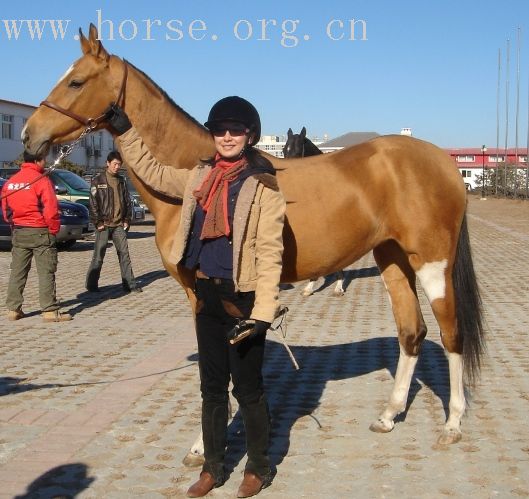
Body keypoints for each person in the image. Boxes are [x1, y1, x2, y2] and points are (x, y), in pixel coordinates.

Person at [104, 96, 285, 498]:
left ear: (249, 135)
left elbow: (271, 253)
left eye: (235, 130)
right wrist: (124, 131)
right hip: (205, 294)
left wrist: (263, 313)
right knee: (212, 388)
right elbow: (151, 171)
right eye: (219, 130)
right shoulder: (199, 176)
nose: (226, 137)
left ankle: (258, 466)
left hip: (243, 299)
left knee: (249, 389)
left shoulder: (263, 186)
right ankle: (214, 467)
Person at [1, 151, 72, 322]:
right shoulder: (41, 180)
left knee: (17, 272)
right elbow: (51, 208)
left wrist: (15, 223)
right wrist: (53, 228)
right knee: (46, 271)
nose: (45, 162)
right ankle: (49, 310)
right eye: (44, 159)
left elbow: (6, 209)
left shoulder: (11, 182)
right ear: (38, 161)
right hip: (40, 231)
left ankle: (13, 309)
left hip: (19, 231)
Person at [85, 151, 141, 293]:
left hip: (118, 225)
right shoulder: (98, 181)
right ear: (108, 163)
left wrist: (127, 219)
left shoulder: (121, 181)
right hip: (104, 224)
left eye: (119, 164)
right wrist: (98, 222)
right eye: (115, 164)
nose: (117, 167)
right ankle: (91, 285)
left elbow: (127, 202)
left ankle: (130, 284)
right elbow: (93, 203)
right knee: (98, 256)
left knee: (124, 254)